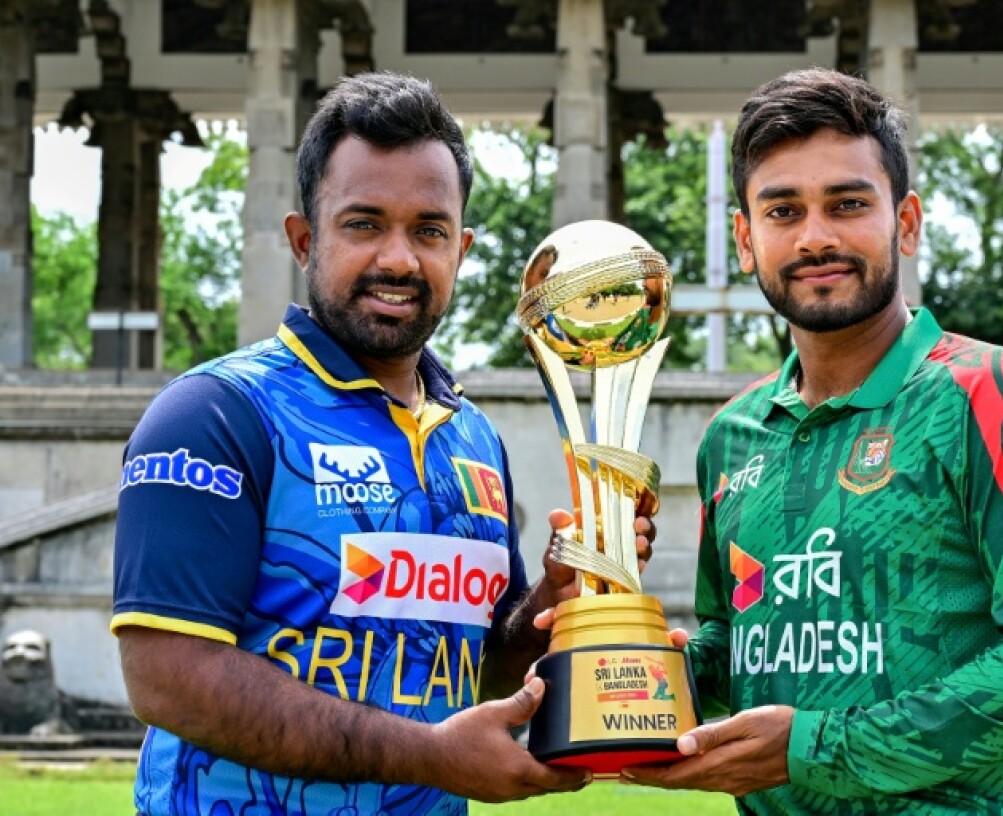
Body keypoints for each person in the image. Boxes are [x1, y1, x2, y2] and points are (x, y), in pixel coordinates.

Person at [111, 72, 653, 816]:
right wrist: (432, 756)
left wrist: (550, 602)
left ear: (459, 249)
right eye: (364, 223)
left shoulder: (472, 435)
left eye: (428, 230)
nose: (399, 259)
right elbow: (167, 675)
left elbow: (473, 671)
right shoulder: (216, 413)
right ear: (305, 238)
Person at [623, 67, 1003, 813]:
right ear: (745, 238)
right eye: (783, 210)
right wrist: (611, 663)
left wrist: (816, 748)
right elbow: (738, 652)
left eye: (849, 204)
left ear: (908, 221)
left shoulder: (990, 392)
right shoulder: (731, 438)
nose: (816, 236)